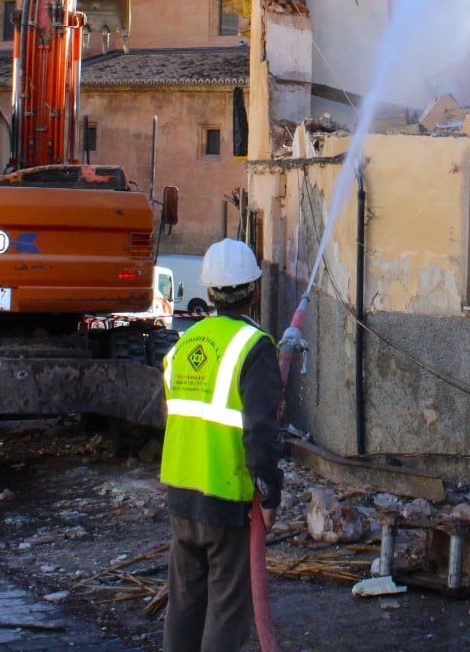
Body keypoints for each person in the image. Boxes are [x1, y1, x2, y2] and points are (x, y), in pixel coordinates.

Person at [159, 238, 283, 652]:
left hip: (181, 491)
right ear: (256, 290)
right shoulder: (255, 346)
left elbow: (174, 409)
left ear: (209, 292)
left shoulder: (185, 343)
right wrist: (269, 494)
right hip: (226, 499)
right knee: (228, 611)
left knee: (184, 603)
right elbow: (260, 432)